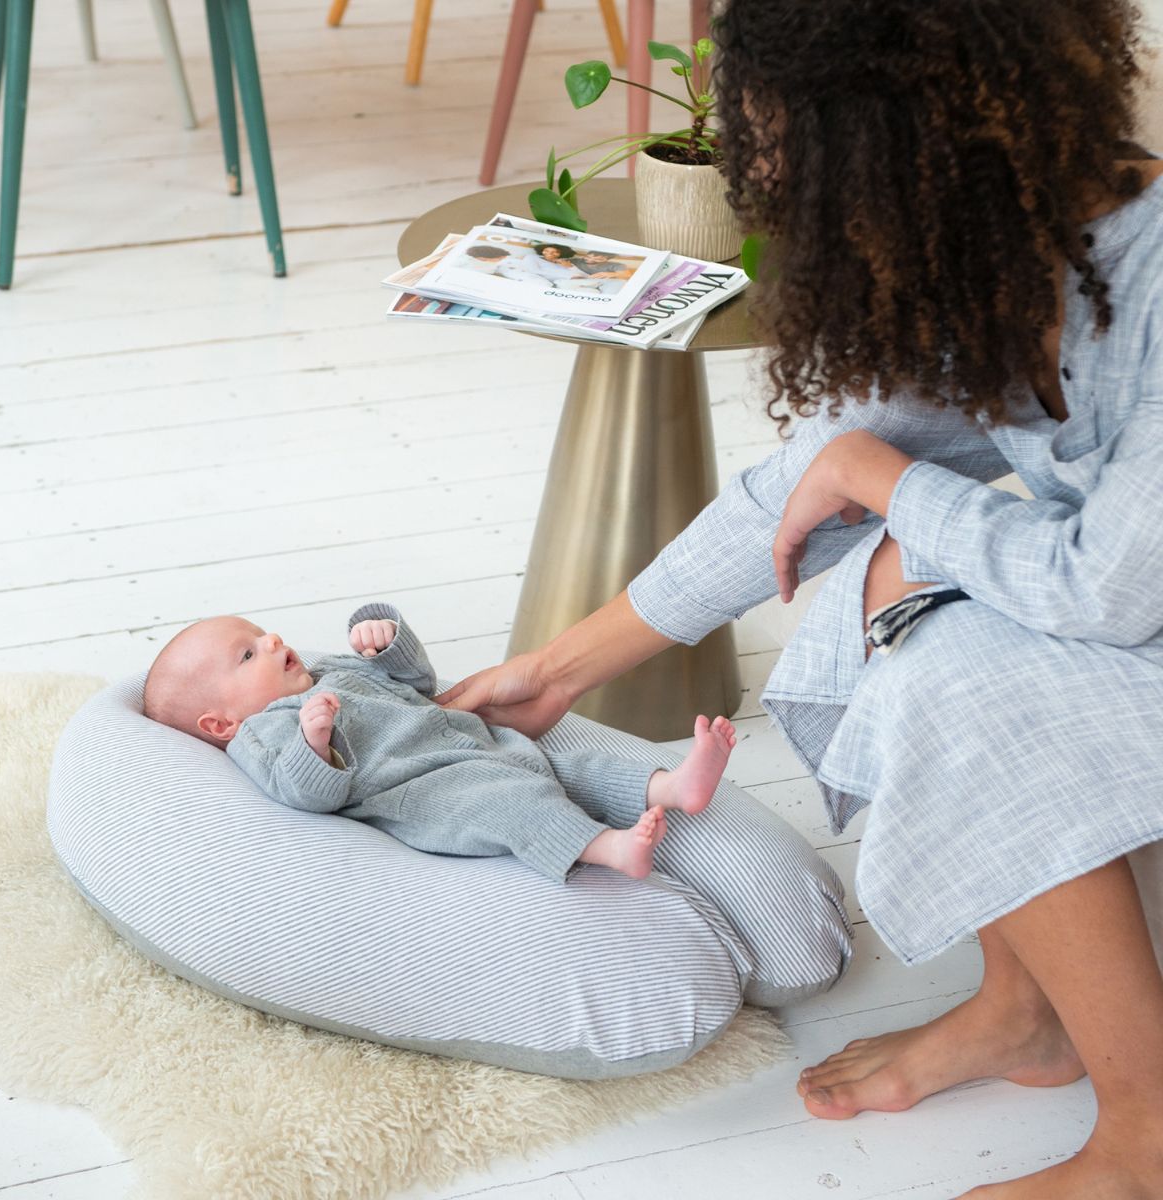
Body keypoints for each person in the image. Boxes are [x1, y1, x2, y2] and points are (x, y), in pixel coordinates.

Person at [436, 1, 1163, 1195]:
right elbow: (796, 491)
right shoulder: (1000, 255)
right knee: (895, 595)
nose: (760, 175)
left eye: (785, 151)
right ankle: (1026, 1015)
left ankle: (1146, 1144)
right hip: (1120, 605)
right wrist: (555, 672)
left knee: (944, 635)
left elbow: (1103, 589)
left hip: (1130, 607)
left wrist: (885, 481)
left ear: (902, 145)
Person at [142, 602, 737, 883]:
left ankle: (673, 784)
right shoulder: (263, 735)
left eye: (259, 632)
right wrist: (313, 743)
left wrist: (387, 644)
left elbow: (417, 686)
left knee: (569, 766)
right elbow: (304, 793)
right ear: (219, 724)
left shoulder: (327, 675)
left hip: (475, 743)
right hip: (428, 795)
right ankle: (606, 847)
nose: (271, 640)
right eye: (248, 654)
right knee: (513, 804)